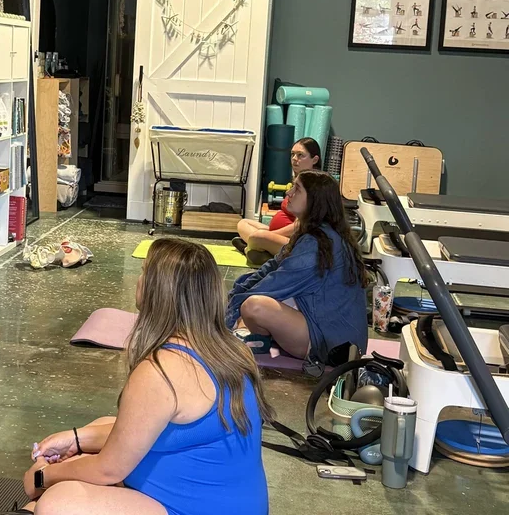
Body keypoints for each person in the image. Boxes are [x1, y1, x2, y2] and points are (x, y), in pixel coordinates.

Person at [21, 239, 272, 515]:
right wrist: (76, 439)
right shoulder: (230, 349)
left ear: (157, 290)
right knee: (103, 426)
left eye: (143, 272)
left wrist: (43, 477)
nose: (137, 280)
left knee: (59, 502)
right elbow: (153, 432)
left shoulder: (162, 370)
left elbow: (108, 469)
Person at [227, 171, 368, 366]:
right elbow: (271, 268)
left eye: (297, 189)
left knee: (253, 306)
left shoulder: (317, 243)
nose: (289, 193)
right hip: (333, 334)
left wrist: (228, 316)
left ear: (314, 200)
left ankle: (254, 340)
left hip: (335, 347)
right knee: (250, 293)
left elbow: (274, 284)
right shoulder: (315, 232)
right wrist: (237, 291)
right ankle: (254, 336)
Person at [233, 137, 322, 265]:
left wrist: (271, 234)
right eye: (292, 154)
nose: (294, 159)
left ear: (315, 159)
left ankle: (251, 248)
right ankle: (261, 251)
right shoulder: (298, 180)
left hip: (295, 242)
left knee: (257, 237)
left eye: (300, 155)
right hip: (280, 235)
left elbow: (300, 226)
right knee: (243, 223)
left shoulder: (313, 187)